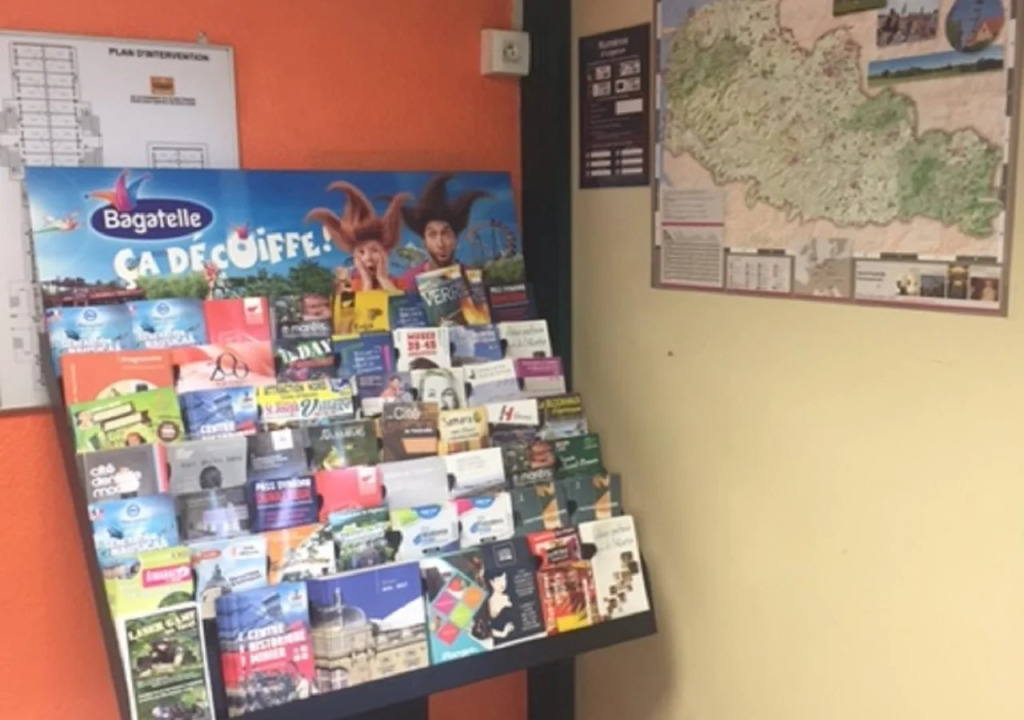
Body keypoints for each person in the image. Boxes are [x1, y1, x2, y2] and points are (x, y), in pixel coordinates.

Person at [306, 182, 408, 292]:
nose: (368, 257)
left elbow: (402, 302)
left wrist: (383, 279)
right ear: (354, 256)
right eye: (361, 252)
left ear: (385, 252)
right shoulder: (347, 286)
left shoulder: (398, 283)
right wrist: (367, 283)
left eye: (375, 250)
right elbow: (356, 304)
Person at [399, 174, 490, 289]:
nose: (440, 244)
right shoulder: (410, 280)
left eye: (445, 234)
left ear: (455, 240)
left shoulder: (472, 278)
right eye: (432, 235)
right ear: (424, 242)